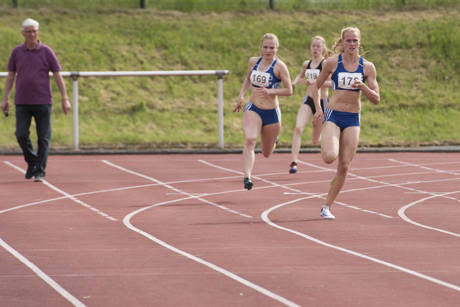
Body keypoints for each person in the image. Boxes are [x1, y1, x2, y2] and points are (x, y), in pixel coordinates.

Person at [311, 27, 380, 219]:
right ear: (342, 42)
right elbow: (314, 88)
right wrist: (318, 108)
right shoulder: (332, 63)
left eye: (355, 41)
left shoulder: (367, 67)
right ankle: (327, 142)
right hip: (333, 114)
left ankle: (326, 206)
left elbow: (376, 99)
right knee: (329, 157)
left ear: (359, 42)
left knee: (345, 167)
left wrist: (363, 86)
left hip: (352, 118)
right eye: (348, 41)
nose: (351, 44)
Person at [1, 18, 71, 182]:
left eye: (34, 31)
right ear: (23, 33)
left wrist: (65, 98)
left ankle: (39, 170)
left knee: (43, 137)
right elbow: (10, 76)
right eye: (28, 31)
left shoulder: (46, 51)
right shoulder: (17, 52)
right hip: (22, 101)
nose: (32, 34)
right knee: (21, 134)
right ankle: (33, 161)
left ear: (37, 32)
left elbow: (58, 76)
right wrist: (5, 98)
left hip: (43, 101)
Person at [233, 33, 293, 190]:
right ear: (261, 47)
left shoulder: (280, 67)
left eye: (271, 48)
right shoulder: (253, 62)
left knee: (267, 152)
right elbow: (248, 80)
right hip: (254, 108)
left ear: (276, 49)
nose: (268, 50)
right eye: (265, 47)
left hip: (271, 112)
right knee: (250, 140)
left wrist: (270, 91)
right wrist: (241, 96)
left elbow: (289, 90)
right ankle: (247, 177)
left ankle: (275, 139)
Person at [289, 36, 331, 174]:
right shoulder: (306, 64)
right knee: (298, 128)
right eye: (313, 46)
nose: (315, 49)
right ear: (310, 47)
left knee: (315, 140)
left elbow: (333, 83)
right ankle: (294, 162)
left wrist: (317, 83)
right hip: (308, 100)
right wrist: (294, 83)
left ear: (323, 48)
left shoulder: (326, 64)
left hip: (323, 102)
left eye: (318, 46)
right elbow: (300, 76)